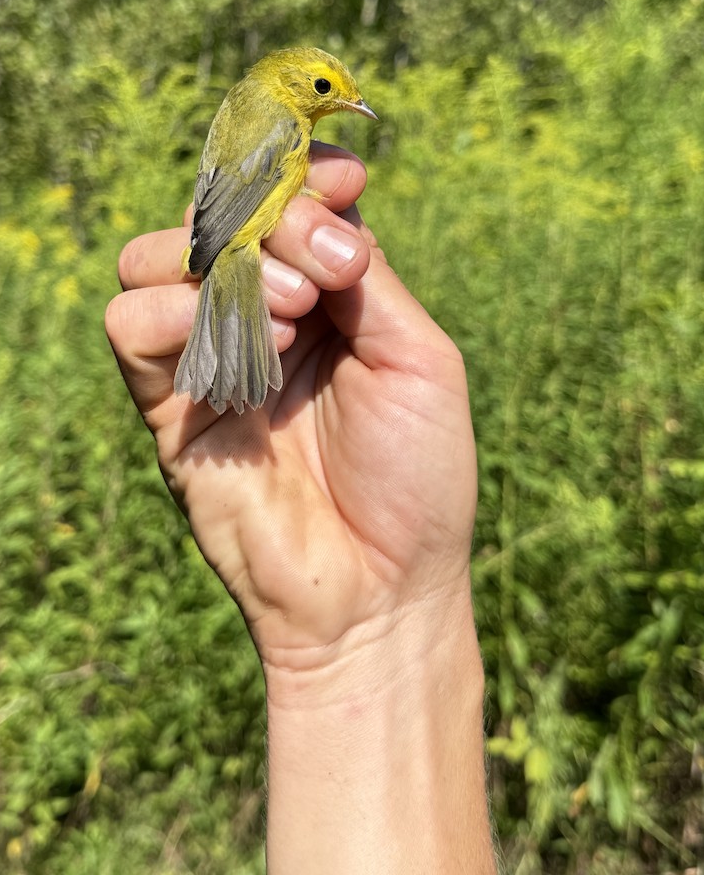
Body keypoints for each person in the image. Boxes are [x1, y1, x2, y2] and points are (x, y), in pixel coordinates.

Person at [105, 142, 499, 874]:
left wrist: (383, 636)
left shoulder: (280, 127)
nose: (345, 108)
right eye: (325, 91)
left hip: (246, 266)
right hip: (238, 261)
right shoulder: (276, 125)